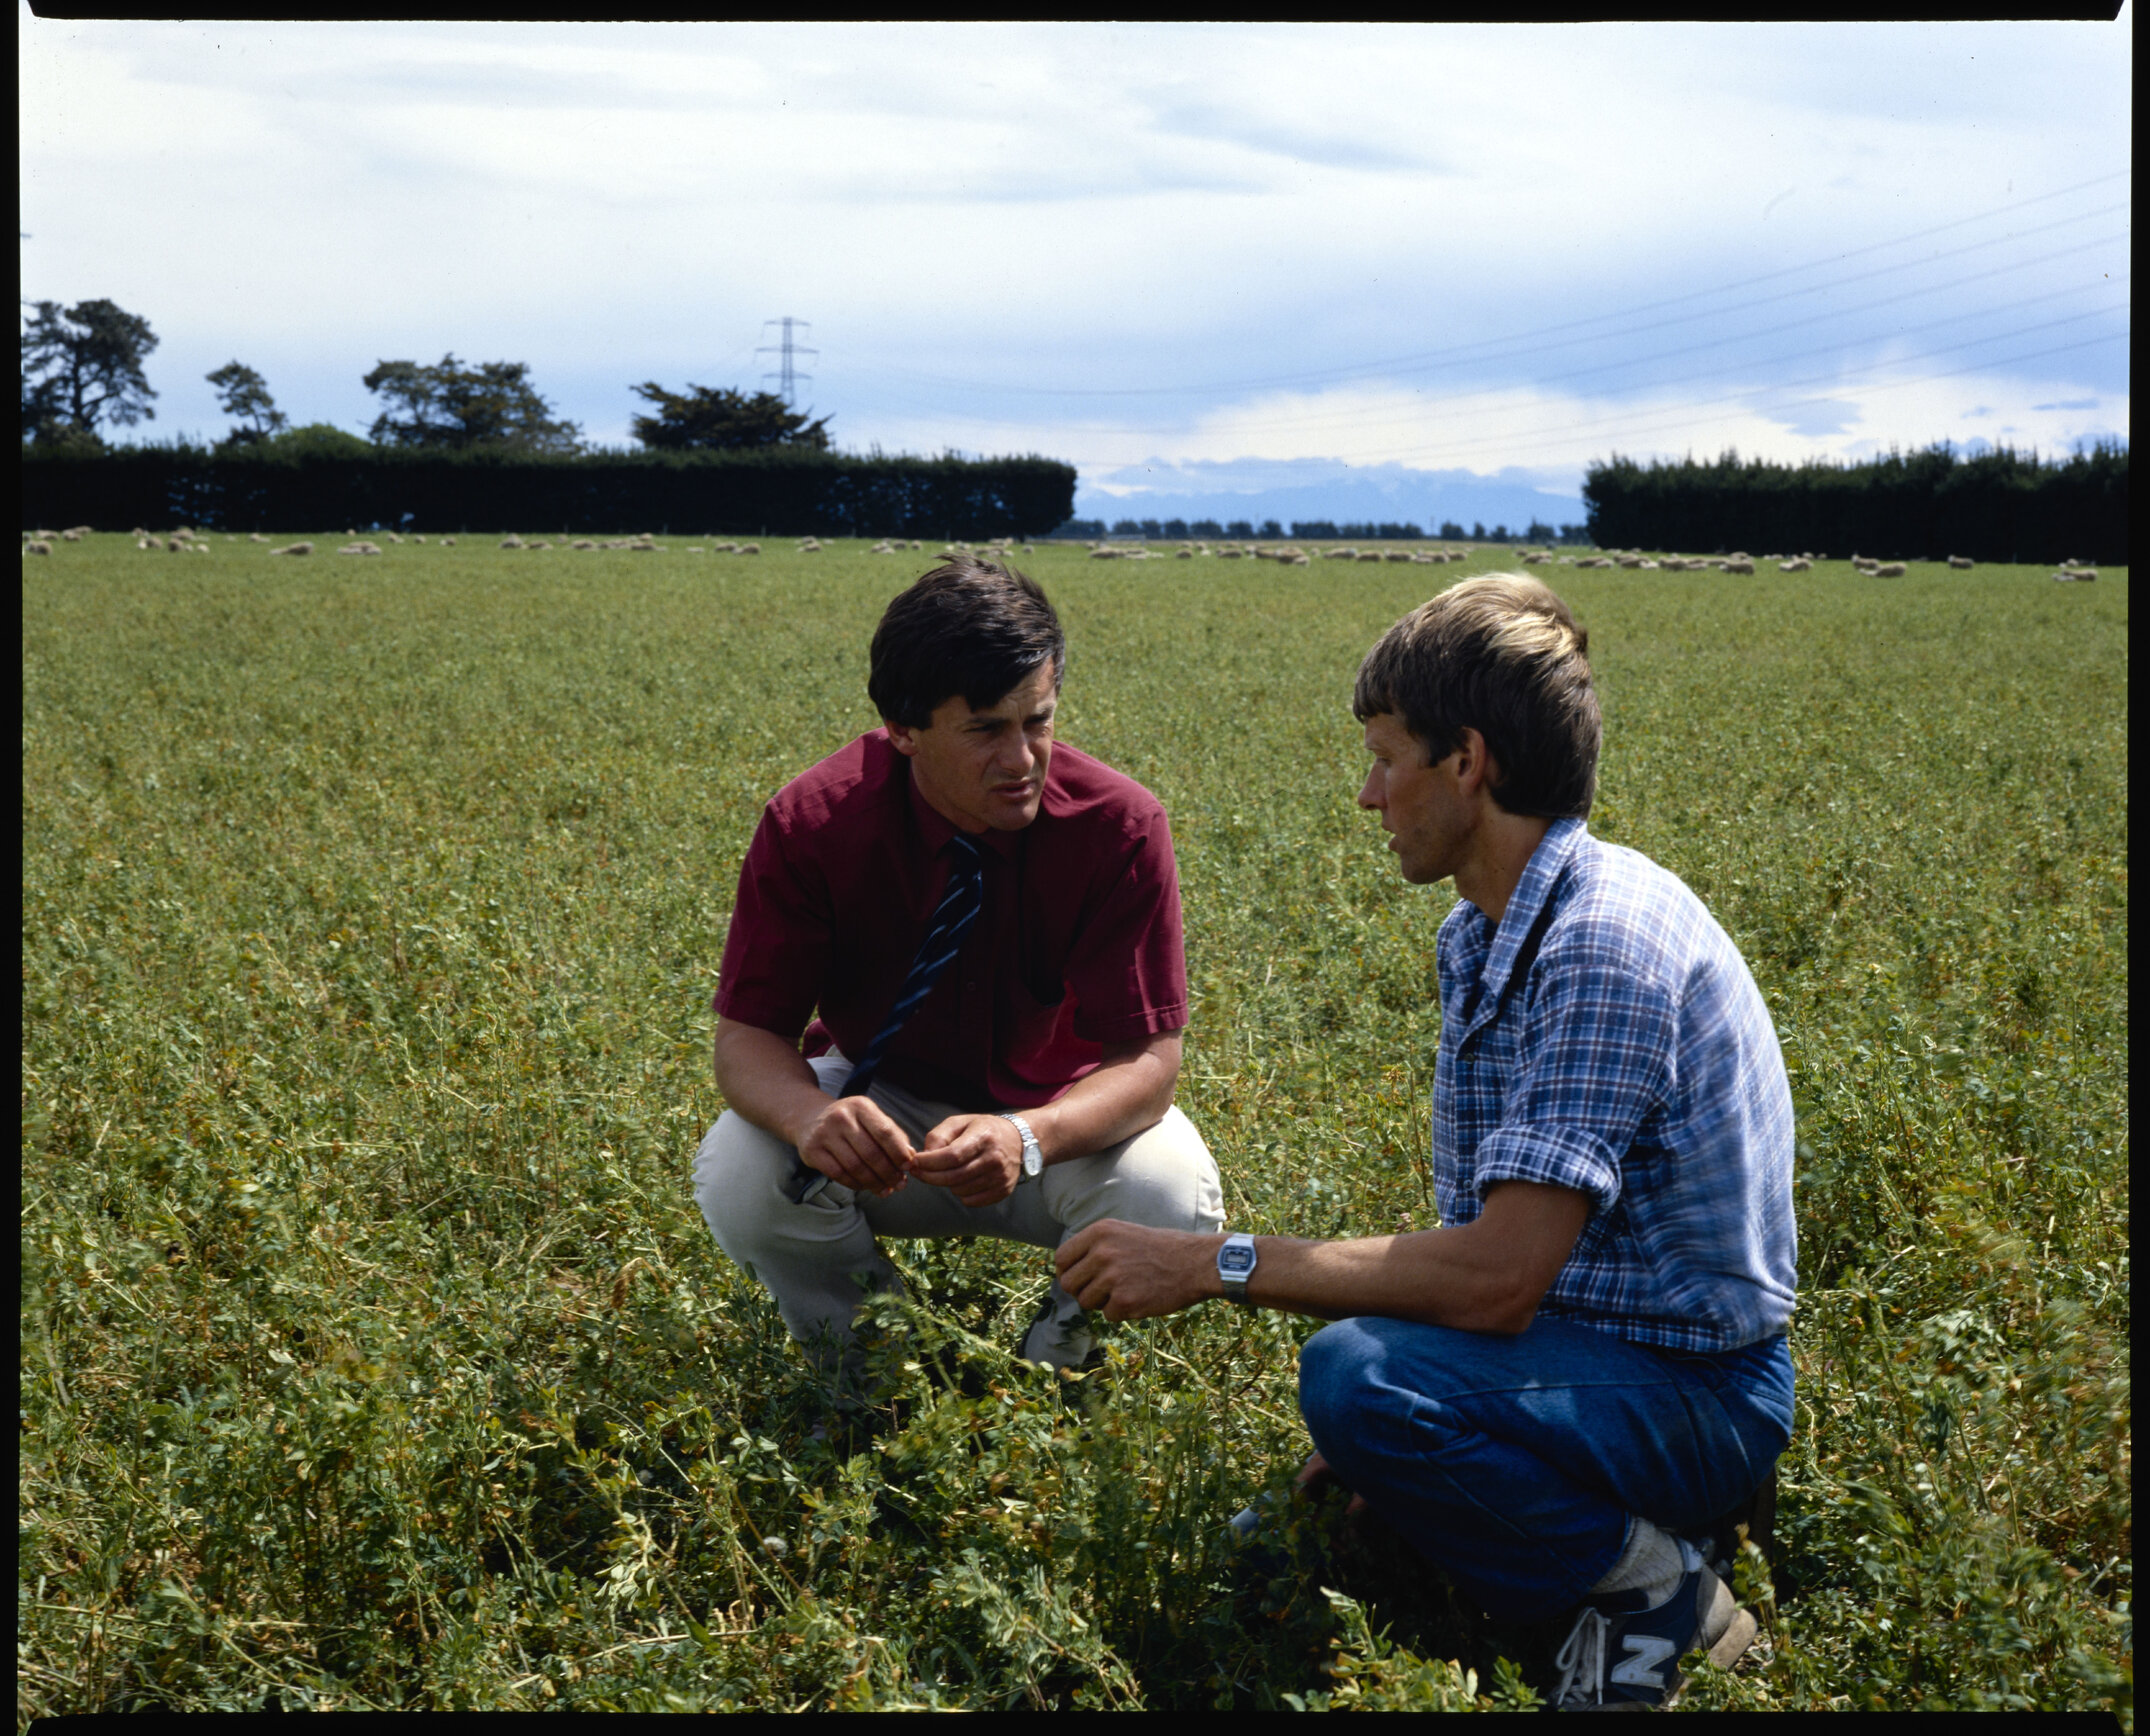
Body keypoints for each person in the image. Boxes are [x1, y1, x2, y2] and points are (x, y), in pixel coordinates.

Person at [1054, 574, 1797, 1709]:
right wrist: (1393, 1442)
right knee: (1354, 1421)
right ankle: (1482, 1512)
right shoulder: (1484, 929)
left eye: (1385, 755)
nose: (1366, 794)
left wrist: (1215, 1262)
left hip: (1697, 1394)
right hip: (1591, 1351)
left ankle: (1650, 1586)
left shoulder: (1602, 947)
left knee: (1351, 1368)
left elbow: (1496, 1280)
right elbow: (1481, 1256)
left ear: (1468, 761)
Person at [694, 557, 1223, 1380]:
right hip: (884, 1107)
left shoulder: (1117, 827)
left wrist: (1028, 1134)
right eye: (984, 729)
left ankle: (1056, 1373)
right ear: (903, 729)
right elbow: (748, 1038)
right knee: (743, 1170)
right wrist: (810, 1119)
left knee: (1172, 1198)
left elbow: (1150, 1067)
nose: (1022, 759)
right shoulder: (814, 824)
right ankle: (878, 1373)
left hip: (1060, 1115)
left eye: (1037, 721)